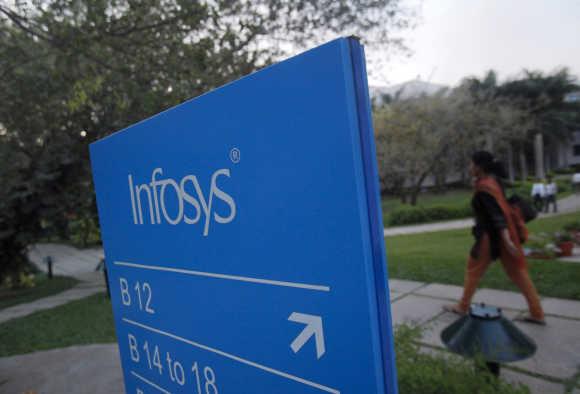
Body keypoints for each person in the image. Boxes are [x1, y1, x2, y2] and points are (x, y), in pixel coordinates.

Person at [444, 151, 545, 325]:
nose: (469, 167)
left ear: (479, 167)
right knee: (518, 273)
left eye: (471, 164)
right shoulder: (493, 181)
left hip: (489, 238)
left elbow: (497, 215)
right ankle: (537, 313)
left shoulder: (484, 188)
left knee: (473, 270)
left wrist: (506, 241)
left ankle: (462, 306)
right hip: (502, 235)